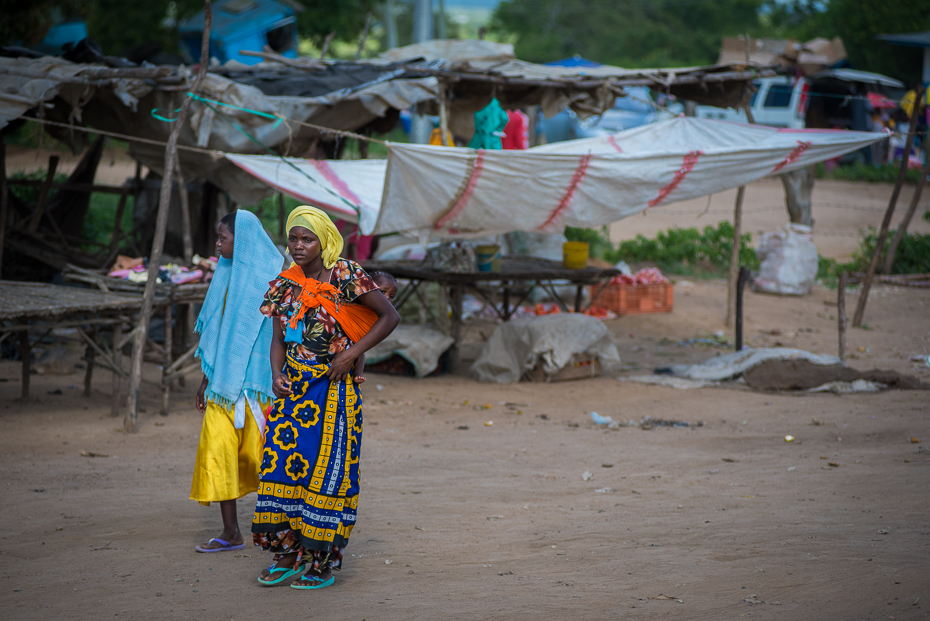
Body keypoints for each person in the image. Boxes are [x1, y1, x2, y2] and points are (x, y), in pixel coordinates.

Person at [252, 206, 399, 589]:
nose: (298, 246)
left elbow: (389, 318)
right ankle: (286, 555)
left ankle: (320, 561)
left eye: (307, 239)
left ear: (325, 240)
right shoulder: (285, 284)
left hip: (334, 394)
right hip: (292, 394)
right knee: (280, 469)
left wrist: (349, 355)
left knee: (328, 475)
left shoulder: (347, 274)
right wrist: (276, 373)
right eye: (293, 238)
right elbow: (278, 339)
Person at [190, 210, 283, 552]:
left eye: (222, 238)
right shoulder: (224, 275)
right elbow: (218, 335)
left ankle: (285, 530)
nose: (217, 244)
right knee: (218, 452)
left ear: (240, 241)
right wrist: (205, 379)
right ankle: (231, 532)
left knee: (267, 461)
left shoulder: (277, 277)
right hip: (224, 386)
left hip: (260, 389)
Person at [352, 270, 398, 384]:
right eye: (382, 292)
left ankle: (358, 373)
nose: (387, 298)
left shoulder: (378, 317)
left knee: (360, 352)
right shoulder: (350, 306)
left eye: (391, 296)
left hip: (353, 349)